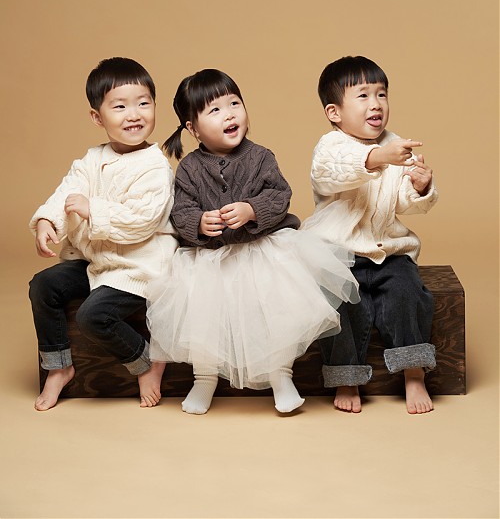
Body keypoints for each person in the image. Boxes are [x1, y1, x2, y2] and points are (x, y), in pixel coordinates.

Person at [146, 68, 359, 414]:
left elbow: (280, 195)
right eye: (215, 110)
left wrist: (251, 210)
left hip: (262, 253)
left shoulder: (261, 157)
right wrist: (199, 222)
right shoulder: (188, 169)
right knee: (203, 321)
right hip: (211, 261)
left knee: (275, 315)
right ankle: (204, 378)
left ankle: (281, 376)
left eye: (234, 103)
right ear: (193, 128)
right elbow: (181, 211)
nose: (229, 114)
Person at [29, 57, 177, 411]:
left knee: (92, 316)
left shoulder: (155, 166)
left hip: (138, 267)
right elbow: (67, 192)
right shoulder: (92, 159)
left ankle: (145, 360)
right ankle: (59, 365)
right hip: (98, 261)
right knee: (43, 286)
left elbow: (141, 221)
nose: (134, 115)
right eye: (120, 106)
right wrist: (48, 220)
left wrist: (92, 209)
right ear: (98, 117)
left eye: (143, 103)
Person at [302, 56, 438, 415]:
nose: (375, 103)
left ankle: (413, 372)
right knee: (340, 306)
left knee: (408, 292)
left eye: (381, 94)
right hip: (338, 254)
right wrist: (378, 157)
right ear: (334, 112)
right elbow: (331, 173)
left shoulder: (396, 144)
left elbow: (405, 201)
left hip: (388, 251)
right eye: (363, 96)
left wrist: (420, 186)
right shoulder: (331, 146)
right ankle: (346, 377)